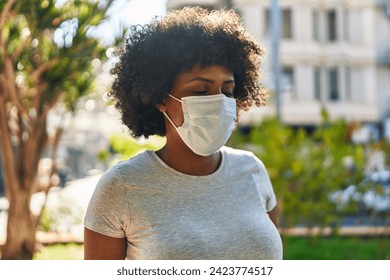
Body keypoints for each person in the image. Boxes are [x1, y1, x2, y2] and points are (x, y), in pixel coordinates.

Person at [84, 6, 283, 260]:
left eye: (228, 90)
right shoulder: (122, 186)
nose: (219, 101)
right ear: (159, 99)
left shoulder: (253, 171)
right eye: (200, 91)